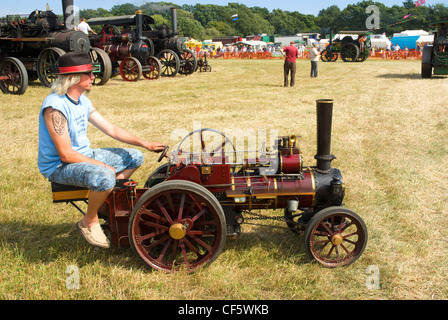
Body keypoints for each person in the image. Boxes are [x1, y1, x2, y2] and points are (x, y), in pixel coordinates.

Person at [37, 52, 166, 248]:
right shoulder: (55, 107)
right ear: (74, 78)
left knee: (135, 157)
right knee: (106, 176)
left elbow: (111, 129)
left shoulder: (82, 101)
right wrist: (104, 166)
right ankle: (89, 221)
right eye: (89, 74)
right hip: (59, 166)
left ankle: (108, 204)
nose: (93, 77)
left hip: (82, 156)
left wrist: (145, 144)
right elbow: (66, 154)